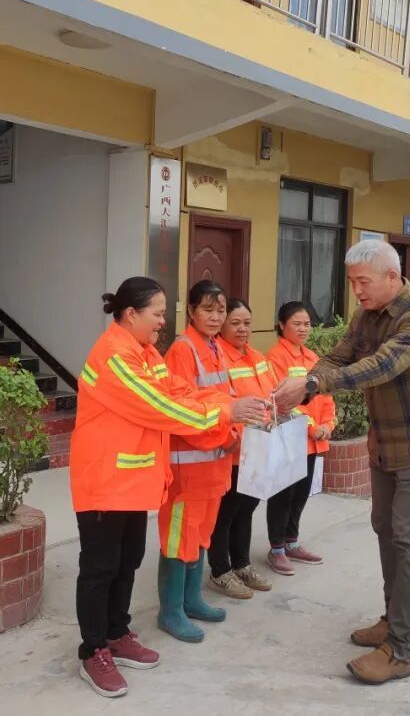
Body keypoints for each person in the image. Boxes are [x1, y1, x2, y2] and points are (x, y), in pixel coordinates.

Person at [70, 277, 268, 699]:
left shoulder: (144, 351)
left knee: (128, 560)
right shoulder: (114, 356)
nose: (163, 321)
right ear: (131, 314)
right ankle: (93, 650)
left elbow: (180, 390)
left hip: (131, 479)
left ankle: (117, 633)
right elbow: (162, 408)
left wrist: (227, 405)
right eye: (158, 313)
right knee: (101, 567)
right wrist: (226, 413)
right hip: (104, 481)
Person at [273, 239, 410, 686]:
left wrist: (312, 386)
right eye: (352, 282)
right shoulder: (365, 315)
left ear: (392, 277)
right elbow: (339, 356)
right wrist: (305, 380)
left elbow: (381, 365)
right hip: (384, 443)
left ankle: (401, 649)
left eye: (363, 281)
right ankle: (392, 619)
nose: (356, 290)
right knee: (386, 531)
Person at [158, 280, 239, 641]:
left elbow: (227, 400)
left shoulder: (215, 347)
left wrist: (234, 433)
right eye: (208, 309)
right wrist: (225, 435)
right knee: (179, 537)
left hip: (214, 463)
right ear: (191, 311)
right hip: (188, 467)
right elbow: (182, 411)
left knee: (201, 533)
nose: (216, 316)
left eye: (220, 310)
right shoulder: (183, 349)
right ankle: (171, 611)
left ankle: (192, 599)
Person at [206, 298, 274, 598]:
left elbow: (271, 395)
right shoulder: (219, 358)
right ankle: (220, 571)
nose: (242, 329)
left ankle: (242, 564)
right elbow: (220, 402)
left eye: (247, 323)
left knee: (246, 509)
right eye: (235, 323)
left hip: (259, 446)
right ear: (222, 326)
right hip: (233, 449)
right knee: (226, 512)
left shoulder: (257, 356)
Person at [265, 302, 336, 576]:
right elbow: (281, 401)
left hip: (313, 440)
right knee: (283, 495)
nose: (304, 328)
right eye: (297, 323)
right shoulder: (275, 358)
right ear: (282, 325)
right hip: (290, 439)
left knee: (301, 494)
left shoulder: (312, 357)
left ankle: (292, 542)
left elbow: (325, 394)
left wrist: (328, 423)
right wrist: (312, 427)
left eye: (307, 323)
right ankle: (276, 549)